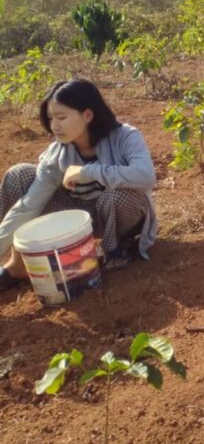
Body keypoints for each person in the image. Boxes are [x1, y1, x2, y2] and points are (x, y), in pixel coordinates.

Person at [0, 79, 157, 291]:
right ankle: (18, 264)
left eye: (61, 117)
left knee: (116, 195)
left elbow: (146, 176)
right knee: (19, 175)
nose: (54, 126)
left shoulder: (125, 136)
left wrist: (87, 172)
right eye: (51, 118)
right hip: (80, 220)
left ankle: (115, 249)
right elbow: (29, 206)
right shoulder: (57, 155)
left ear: (88, 115)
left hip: (121, 216)